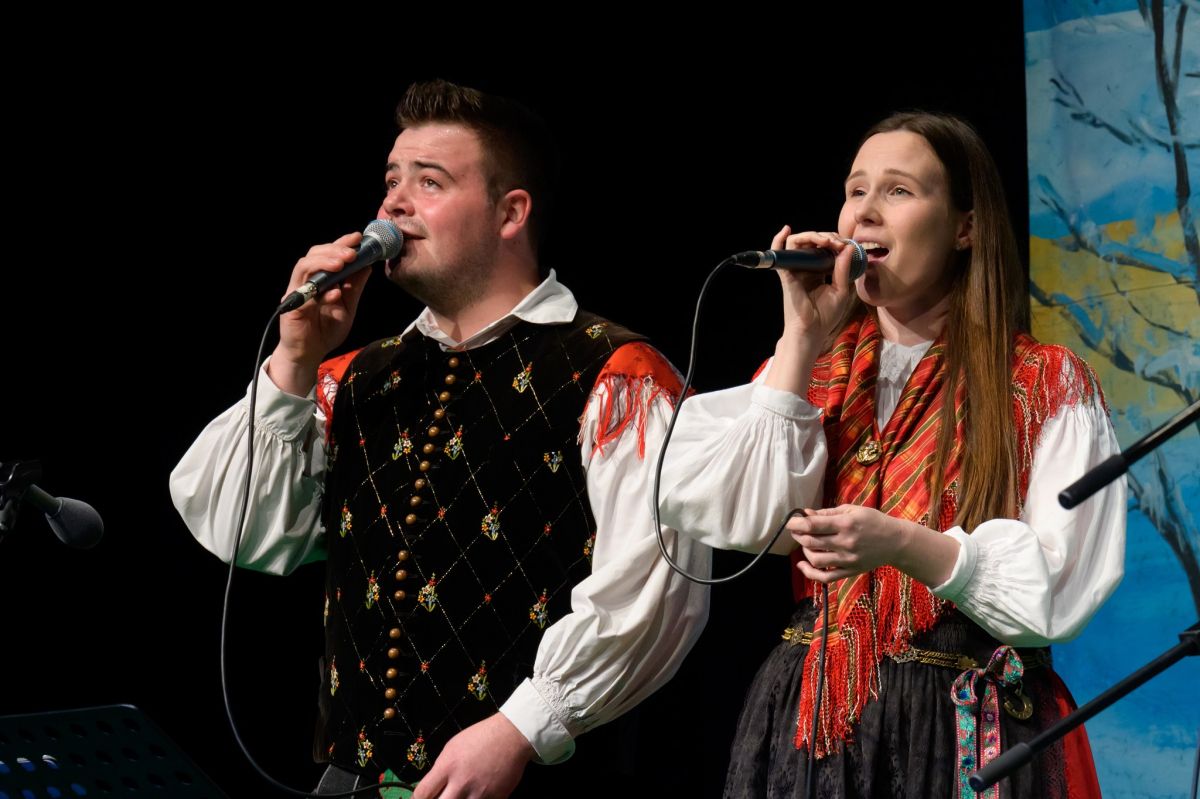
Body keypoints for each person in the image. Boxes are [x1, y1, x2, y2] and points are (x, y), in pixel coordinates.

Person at [169, 80, 709, 797]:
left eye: (430, 182)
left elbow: (655, 589)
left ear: (510, 212)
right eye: (391, 181)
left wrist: (523, 725)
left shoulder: (615, 375)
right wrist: (293, 360)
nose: (394, 204)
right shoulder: (353, 379)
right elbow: (244, 531)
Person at [657, 111, 1125, 797]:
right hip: (813, 725)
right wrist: (800, 339)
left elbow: (1064, 585)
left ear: (965, 227)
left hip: (966, 725)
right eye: (855, 191)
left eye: (898, 191)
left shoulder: (1040, 383)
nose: (865, 212)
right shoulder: (807, 375)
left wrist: (905, 544)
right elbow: (741, 520)